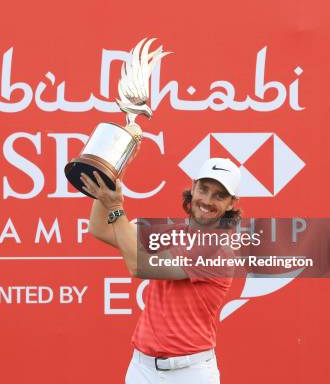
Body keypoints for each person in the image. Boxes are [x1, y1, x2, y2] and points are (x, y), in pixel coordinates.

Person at [80, 157, 242, 384]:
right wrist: (111, 176)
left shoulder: (217, 246)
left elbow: (141, 266)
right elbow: (100, 229)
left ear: (232, 203)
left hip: (190, 373)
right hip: (142, 368)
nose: (207, 200)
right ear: (193, 187)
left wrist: (116, 207)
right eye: (204, 189)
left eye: (219, 195)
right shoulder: (173, 232)